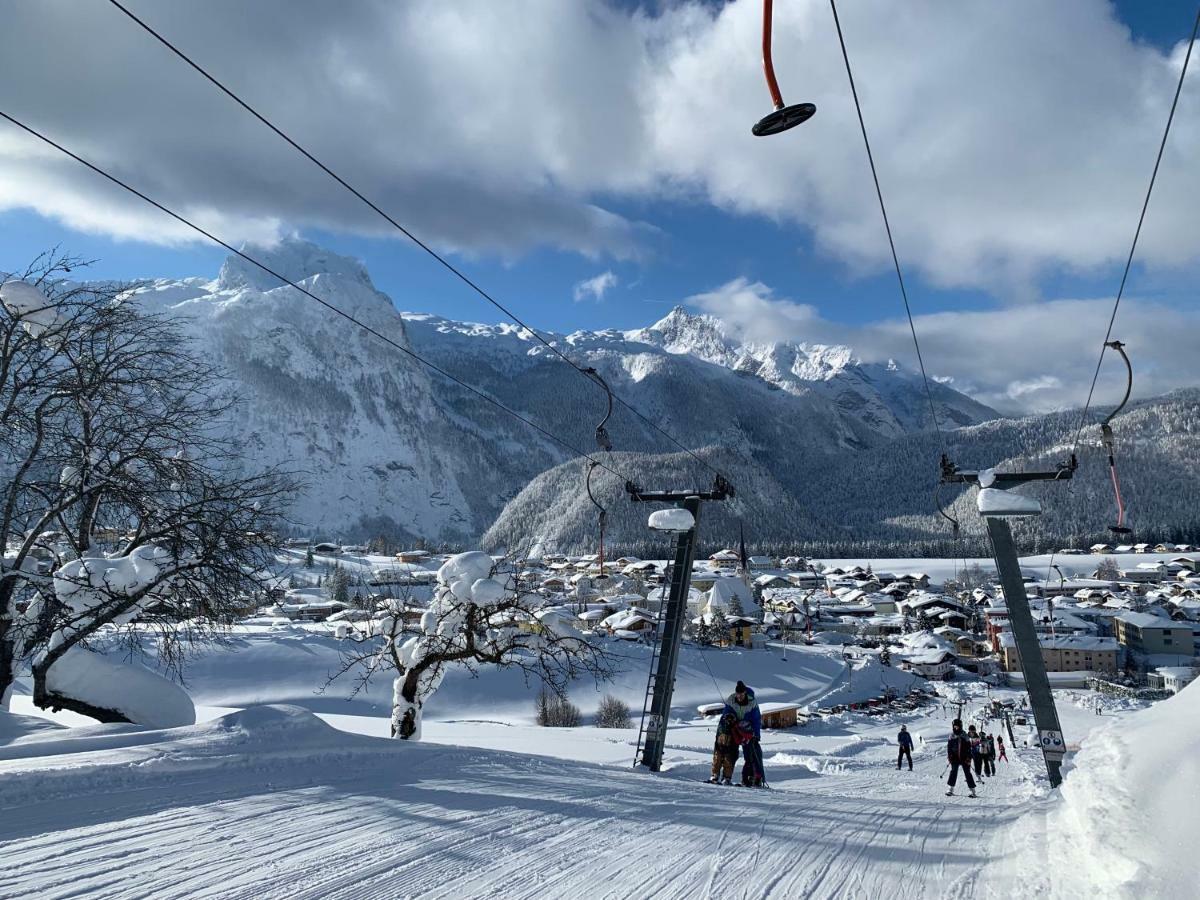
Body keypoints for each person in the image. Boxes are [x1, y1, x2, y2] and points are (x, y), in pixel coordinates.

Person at [723, 680, 763, 787]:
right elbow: (725, 713)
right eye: (738, 694)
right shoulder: (731, 699)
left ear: (745, 693)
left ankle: (751, 779)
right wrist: (728, 718)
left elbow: (756, 719)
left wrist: (756, 735)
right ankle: (726, 777)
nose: (739, 697)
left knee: (750, 756)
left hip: (747, 732)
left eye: (741, 694)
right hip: (734, 729)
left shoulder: (752, 702)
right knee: (730, 753)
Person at [946, 719, 977, 797]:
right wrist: (950, 756)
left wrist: (969, 758)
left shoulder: (964, 735)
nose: (956, 728)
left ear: (960, 726)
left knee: (967, 773)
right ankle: (950, 789)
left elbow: (969, 748)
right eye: (954, 727)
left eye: (957, 727)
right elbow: (949, 747)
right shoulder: (951, 736)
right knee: (953, 771)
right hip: (955, 757)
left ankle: (972, 790)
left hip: (964, 757)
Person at [707, 711, 739, 785]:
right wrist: (717, 746)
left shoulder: (735, 727)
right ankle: (714, 775)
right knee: (716, 760)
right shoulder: (721, 726)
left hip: (731, 748)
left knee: (728, 762)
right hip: (720, 746)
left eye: (730, 720)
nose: (729, 721)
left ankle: (726, 778)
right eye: (727, 719)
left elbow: (737, 740)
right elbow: (717, 737)